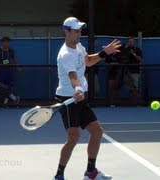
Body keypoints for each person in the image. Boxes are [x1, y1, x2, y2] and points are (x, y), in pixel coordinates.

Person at [53, 17, 121, 180]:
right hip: (68, 98)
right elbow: (73, 76)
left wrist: (104, 52)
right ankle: (59, 175)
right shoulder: (65, 54)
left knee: (97, 132)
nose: (79, 34)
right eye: (76, 31)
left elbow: (88, 61)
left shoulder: (78, 46)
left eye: (80, 31)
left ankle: (91, 172)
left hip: (80, 97)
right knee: (74, 136)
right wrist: (78, 89)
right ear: (67, 32)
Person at [0, 36, 21, 105]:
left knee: (9, 86)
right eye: (5, 42)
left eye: (8, 42)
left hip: (9, 71)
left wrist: (17, 67)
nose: (7, 43)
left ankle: (6, 100)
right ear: (2, 42)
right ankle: (14, 98)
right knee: (3, 86)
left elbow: (14, 59)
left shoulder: (11, 50)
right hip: (1, 71)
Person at [124, 36, 143, 105]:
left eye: (132, 41)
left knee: (135, 87)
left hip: (135, 72)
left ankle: (136, 103)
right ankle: (131, 102)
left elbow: (141, 60)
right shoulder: (125, 50)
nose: (131, 43)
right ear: (128, 42)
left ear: (134, 42)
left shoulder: (137, 49)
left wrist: (133, 54)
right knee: (130, 87)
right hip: (125, 72)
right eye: (129, 41)